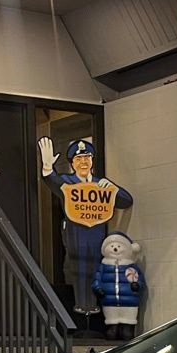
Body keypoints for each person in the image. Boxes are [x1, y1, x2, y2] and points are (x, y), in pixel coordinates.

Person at [38, 137, 132, 323]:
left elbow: (126, 200)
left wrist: (113, 188)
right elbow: (53, 181)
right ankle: (82, 308)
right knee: (79, 269)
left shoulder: (100, 183)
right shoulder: (68, 181)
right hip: (75, 233)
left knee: (96, 269)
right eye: (79, 159)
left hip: (97, 233)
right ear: (72, 163)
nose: (83, 162)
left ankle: (94, 308)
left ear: (92, 161)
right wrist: (48, 168)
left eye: (87, 158)